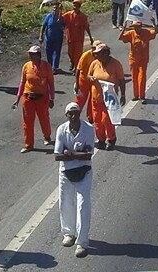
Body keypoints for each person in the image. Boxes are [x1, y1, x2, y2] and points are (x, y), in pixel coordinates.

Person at [54, 102, 95, 258]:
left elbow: (88, 155)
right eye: (70, 113)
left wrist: (70, 153)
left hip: (84, 172)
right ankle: (69, 233)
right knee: (65, 202)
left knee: (83, 205)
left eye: (76, 112)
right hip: (66, 173)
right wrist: (78, 154)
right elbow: (57, 156)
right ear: (66, 115)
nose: (73, 116)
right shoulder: (61, 130)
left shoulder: (89, 129)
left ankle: (82, 242)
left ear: (80, 113)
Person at [12, 45, 55, 152]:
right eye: (30, 54)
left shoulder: (46, 66)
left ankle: (47, 136)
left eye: (34, 54)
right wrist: (18, 98)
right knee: (27, 122)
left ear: (39, 55)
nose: (31, 56)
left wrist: (52, 98)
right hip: (28, 98)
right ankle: (28, 145)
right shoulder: (26, 66)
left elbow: (51, 83)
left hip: (42, 98)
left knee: (44, 119)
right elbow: (22, 82)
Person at [89, 43, 126, 150]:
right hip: (96, 98)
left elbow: (121, 80)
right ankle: (101, 139)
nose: (96, 56)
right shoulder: (95, 63)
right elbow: (88, 75)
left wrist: (123, 95)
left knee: (107, 120)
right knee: (97, 120)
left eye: (98, 54)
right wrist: (90, 78)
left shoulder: (116, 64)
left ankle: (111, 139)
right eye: (96, 54)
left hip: (109, 99)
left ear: (105, 53)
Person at [119, 20, 158, 101]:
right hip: (133, 59)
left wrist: (154, 23)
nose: (136, 29)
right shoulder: (131, 33)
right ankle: (136, 95)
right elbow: (121, 38)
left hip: (143, 59)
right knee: (134, 77)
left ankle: (142, 96)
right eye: (135, 27)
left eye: (138, 27)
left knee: (142, 77)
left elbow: (156, 31)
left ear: (141, 27)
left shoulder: (146, 32)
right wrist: (123, 28)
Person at [62, 0, 94, 74]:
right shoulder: (68, 14)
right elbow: (60, 19)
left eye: (76, 5)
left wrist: (90, 37)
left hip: (79, 40)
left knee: (78, 54)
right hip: (70, 39)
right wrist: (59, 9)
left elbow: (87, 27)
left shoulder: (83, 17)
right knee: (70, 53)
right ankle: (72, 62)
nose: (74, 6)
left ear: (79, 7)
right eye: (73, 5)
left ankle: (76, 68)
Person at [74, 40, 102, 122]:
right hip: (84, 81)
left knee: (92, 99)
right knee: (81, 99)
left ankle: (91, 116)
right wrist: (77, 84)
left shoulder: (100, 56)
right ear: (92, 48)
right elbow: (78, 70)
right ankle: (75, 114)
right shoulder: (86, 55)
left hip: (93, 80)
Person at [40, 1, 66, 72]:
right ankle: (49, 66)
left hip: (58, 38)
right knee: (48, 52)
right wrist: (41, 36)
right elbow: (43, 26)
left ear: (59, 9)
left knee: (57, 52)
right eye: (54, 8)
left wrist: (60, 23)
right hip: (49, 38)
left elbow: (64, 27)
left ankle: (55, 67)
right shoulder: (49, 16)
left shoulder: (62, 17)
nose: (55, 9)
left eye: (56, 8)